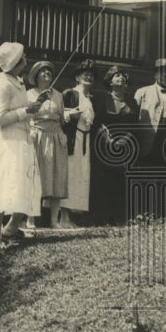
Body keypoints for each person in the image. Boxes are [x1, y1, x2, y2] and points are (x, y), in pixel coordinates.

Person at [0, 42, 42, 250]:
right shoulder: (2, 84)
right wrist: (26, 111)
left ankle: (10, 229)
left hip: (22, 140)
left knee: (25, 185)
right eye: (23, 57)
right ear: (16, 62)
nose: (26, 59)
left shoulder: (17, 81)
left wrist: (31, 110)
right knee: (3, 187)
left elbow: (21, 111)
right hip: (7, 142)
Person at [91, 65, 137, 225]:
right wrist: (107, 138)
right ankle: (102, 218)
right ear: (110, 81)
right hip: (104, 145)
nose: (121, 78)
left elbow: (136, 125)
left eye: (123, 76)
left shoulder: (132, 101)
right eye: (117, 75)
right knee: (104, 182)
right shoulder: (102, 99)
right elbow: (97, 123)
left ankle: (120, 219)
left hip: (126, 146)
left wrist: (126, 139)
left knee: (121, 182)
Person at [26, 61, 68, 229]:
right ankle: (30, 219)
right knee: (35, 178)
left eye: (49, 71)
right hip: (37, 136)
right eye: (42, 71)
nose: (46, 73)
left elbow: (62, 117)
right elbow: (26, 113)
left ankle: (54, 221)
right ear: (36, 76)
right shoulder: (29, 94)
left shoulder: (58, 95)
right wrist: (38, 100)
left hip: (56, 136)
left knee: (56, 177)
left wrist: (69, 117)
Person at [60, 60, 95, 226]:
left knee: (80, 177)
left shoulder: (89, 98)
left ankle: (71, 217)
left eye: (91, 75)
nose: (88, 77)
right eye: (84, 74)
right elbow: (60, 117)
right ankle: (63, 217)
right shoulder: (70, 93)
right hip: (72, 140)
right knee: (70, 176)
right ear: (77, 77)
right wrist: (70, 115)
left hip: (84, 142)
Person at [135, 58, 166, 171]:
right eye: (161, 72)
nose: (165, 75)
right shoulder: (142, 92)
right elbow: (133, 118)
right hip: (149, 140)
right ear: (155, 75)